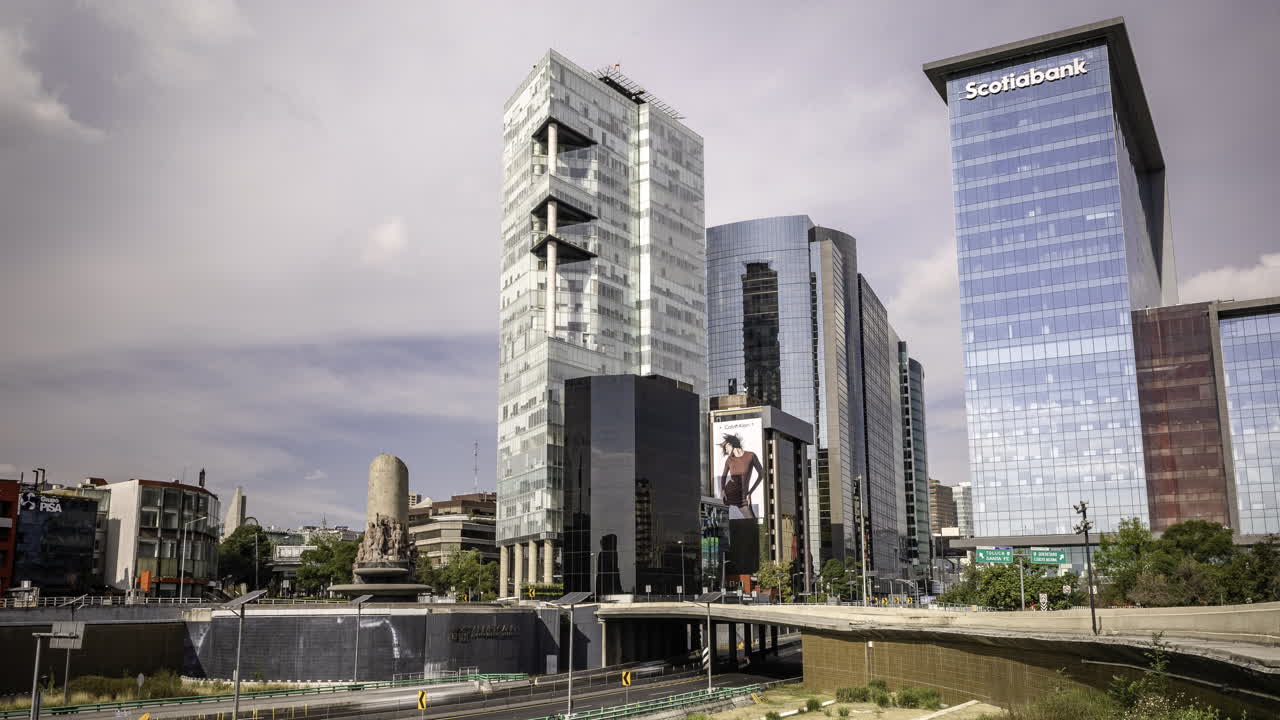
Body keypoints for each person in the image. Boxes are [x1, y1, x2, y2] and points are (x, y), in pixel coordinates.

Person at [717, 433, 763, 519]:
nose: (726, 451)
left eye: (726, 448)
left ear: (730, 444)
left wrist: (750, 492)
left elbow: (761, 474)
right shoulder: (729, 460)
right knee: (721, 516)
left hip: (742, 497)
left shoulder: (750, 456)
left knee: (751, 520)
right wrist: (723, 490)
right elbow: (723, 477)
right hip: (729, 494)